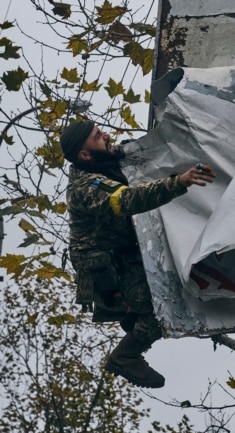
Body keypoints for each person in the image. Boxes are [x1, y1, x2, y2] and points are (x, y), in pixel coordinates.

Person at [61, 119, 216, 389]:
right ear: (84, 155)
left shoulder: (108, 160)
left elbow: (145, 151)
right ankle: (126, 356)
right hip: (108, 268)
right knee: (165, 307)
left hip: (126, 255)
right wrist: (178, 182)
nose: (107, 136)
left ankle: (133, 323)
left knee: (166, 300)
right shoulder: (86, 186)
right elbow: (126, 200)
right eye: (98, 137)